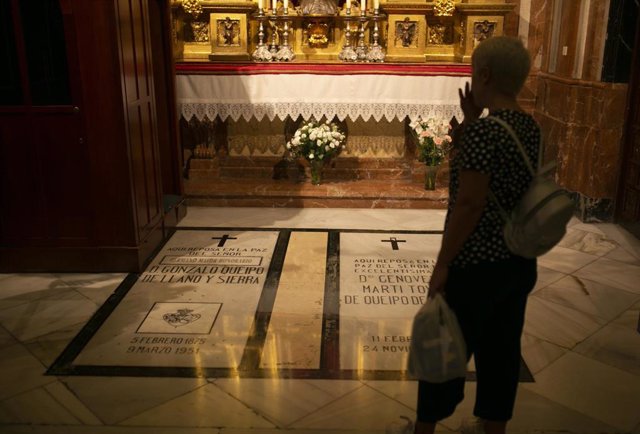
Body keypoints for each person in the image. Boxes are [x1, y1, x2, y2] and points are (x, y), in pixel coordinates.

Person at [415, 36, 539, 434]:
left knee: (443, 351)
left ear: (483, 75)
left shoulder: (487, 133)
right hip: (516, 262)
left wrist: (442, 263)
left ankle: (425, 429)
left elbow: (470, 204)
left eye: (473, 71)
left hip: (475, 264)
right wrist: (470, 120)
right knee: (501, 354)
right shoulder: (528, 126)